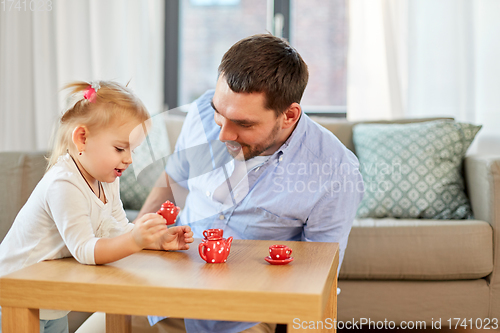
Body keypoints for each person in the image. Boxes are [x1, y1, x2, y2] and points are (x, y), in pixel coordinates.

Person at [136, 33, 364, 333]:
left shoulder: (335, 171)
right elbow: (174, 181)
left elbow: (318, 278)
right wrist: (134, 244)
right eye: (220, 114)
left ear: (289, 115)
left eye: (243, 124)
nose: (223, 135)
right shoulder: (202, 111)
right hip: (166, 293)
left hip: (247, 314)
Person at [0, 81, 194, 333]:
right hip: (15, 297)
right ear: (82, 138)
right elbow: (84, 249)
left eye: (133, 150)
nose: (129, 159)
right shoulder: (64, 184)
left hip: (49, 299)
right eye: (120, 148)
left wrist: (155, 240)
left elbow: (118, 228)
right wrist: (135, 240)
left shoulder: (106, 180)